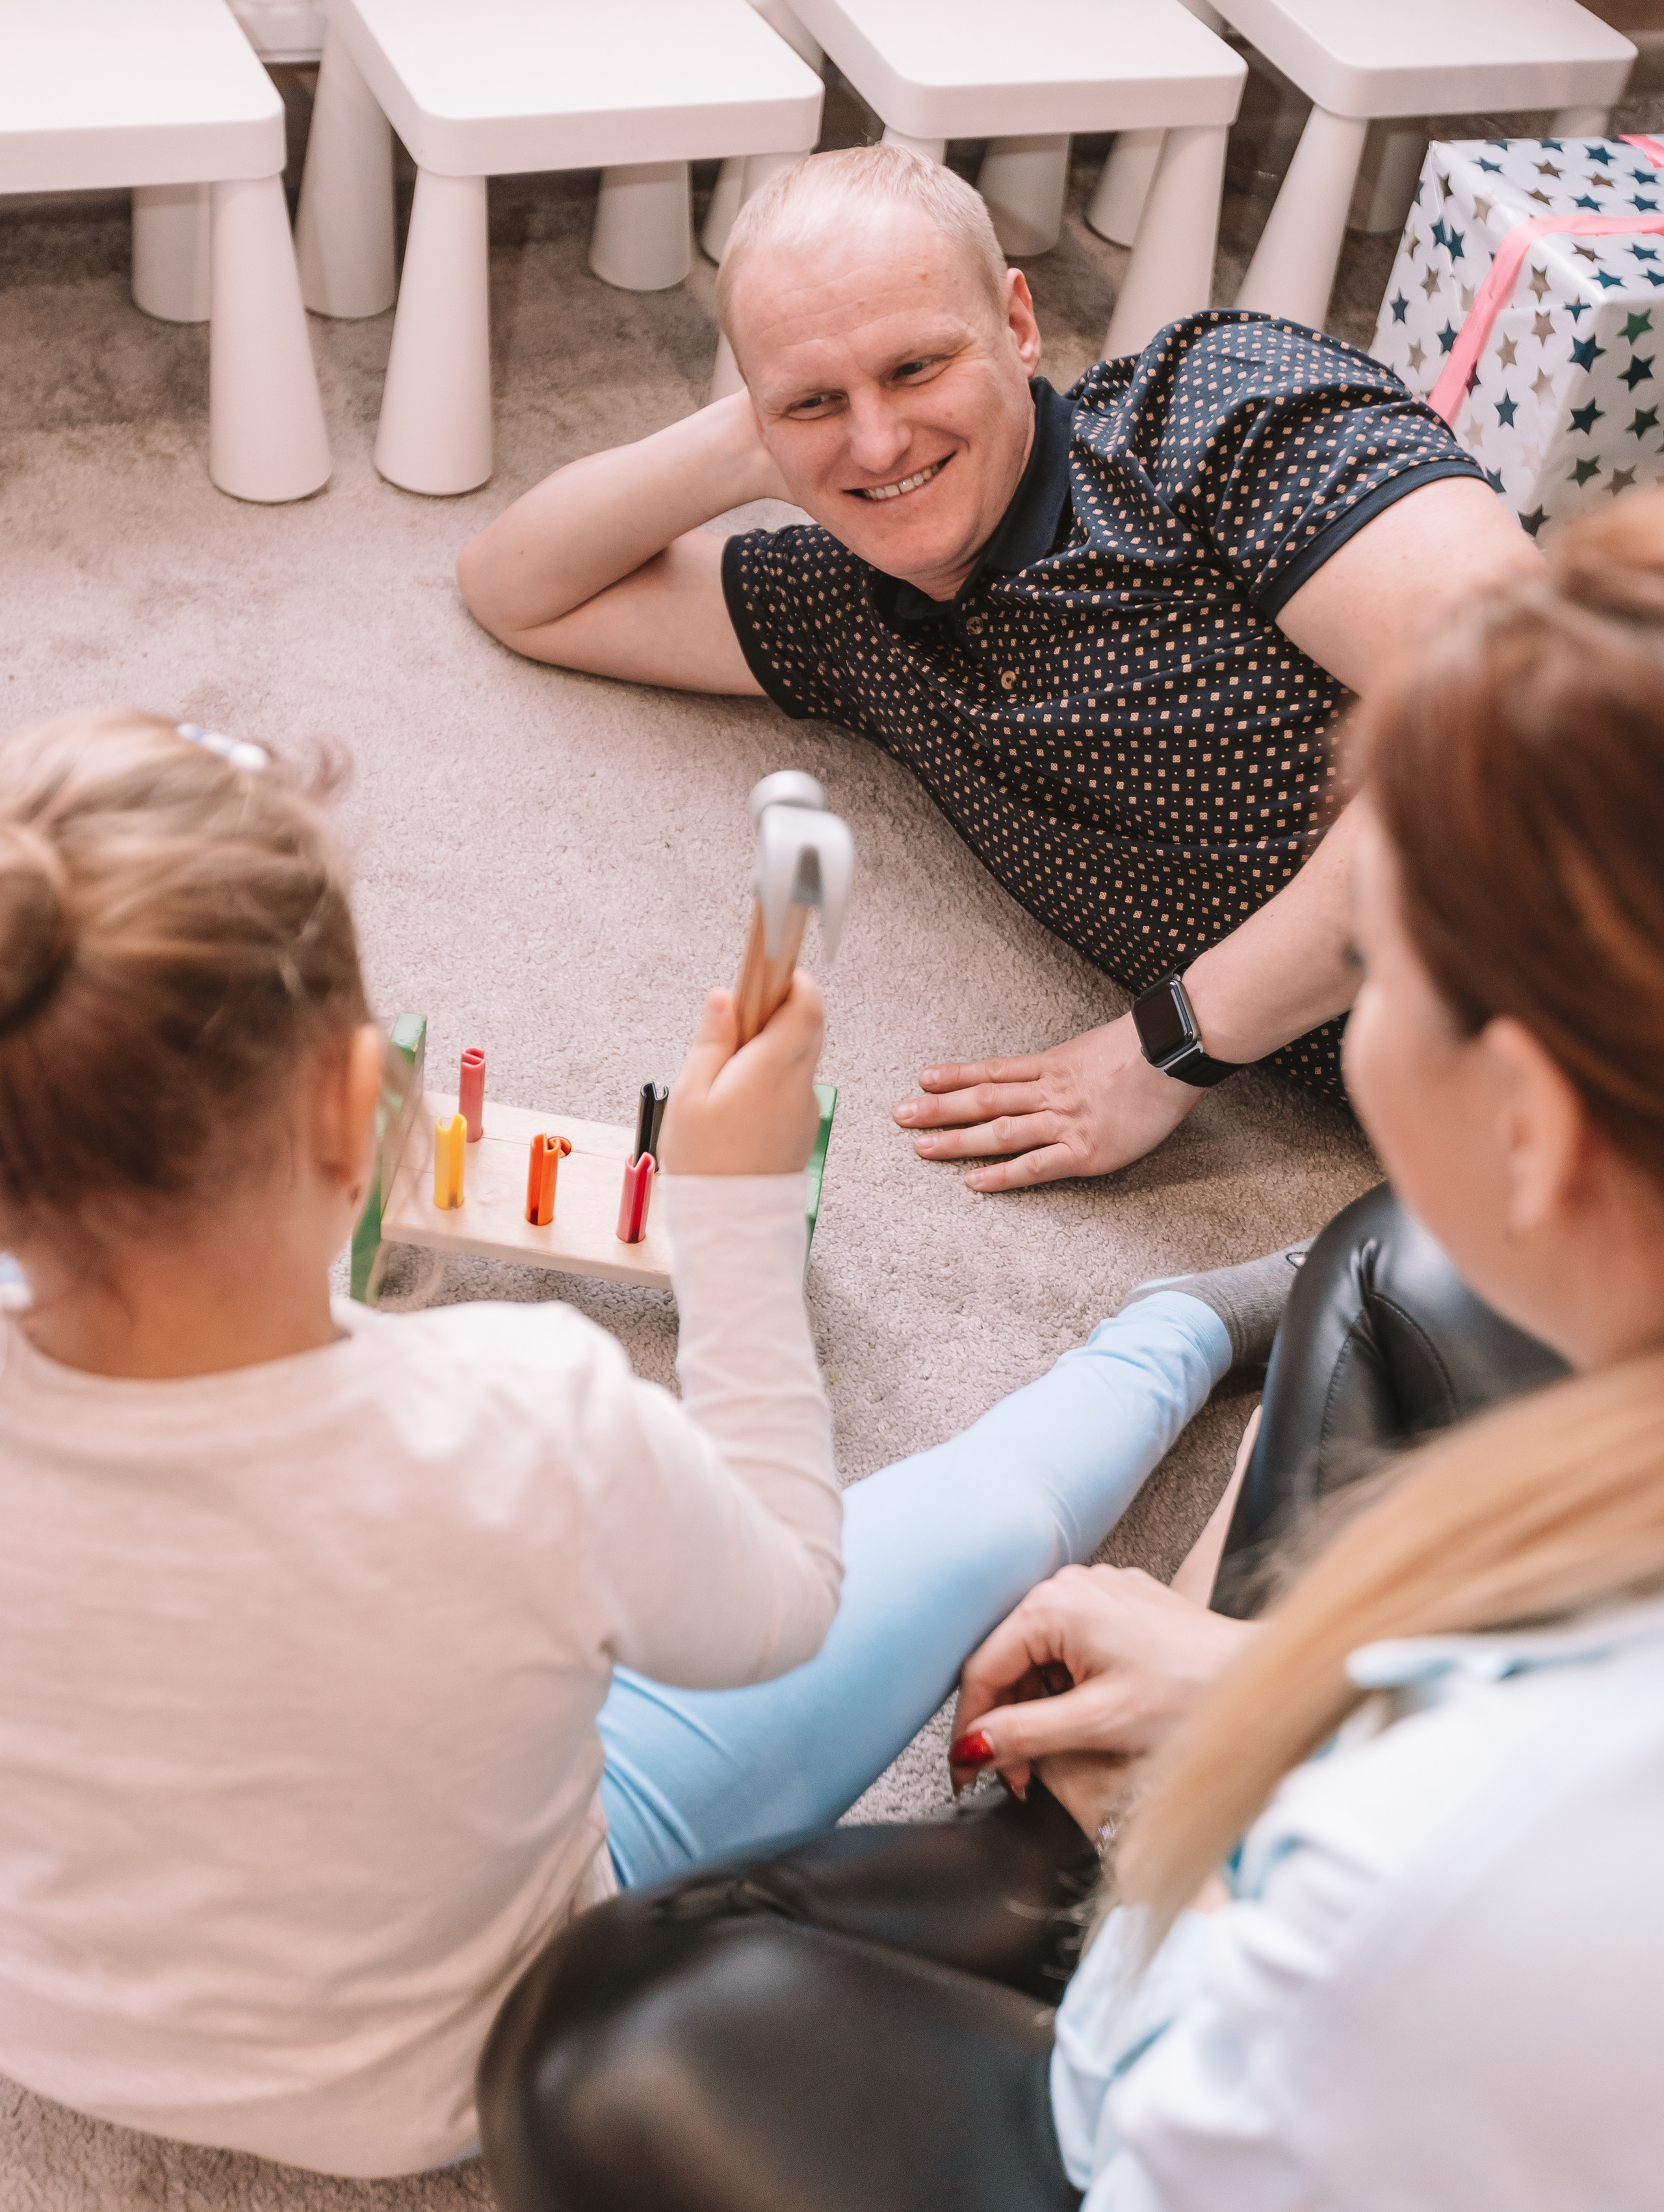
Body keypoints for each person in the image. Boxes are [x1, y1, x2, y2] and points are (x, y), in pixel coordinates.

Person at [476, 504, 1664, 2212]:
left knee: (611, 2035)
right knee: (1392, 1261)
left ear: (1540, 1122)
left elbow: (1186, 2146)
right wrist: (1243, 1679)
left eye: (1371, 966)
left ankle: (1070, 1845)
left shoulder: (1437, 1887)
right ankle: (1070, 1822)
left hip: (1234, 2063)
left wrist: (1203, 1810)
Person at [0, 705, 1305, 2180]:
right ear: (362, 1112)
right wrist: (734, 1222)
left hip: (55, 2027)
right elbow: (781, 1597)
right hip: (448, 2055)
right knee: (986, 1516)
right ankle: (1174, 1332)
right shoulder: (519, 1414)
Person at [457, 142, 1533, 1194]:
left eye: (916, 367)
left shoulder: (1213, 405)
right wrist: (760, 436)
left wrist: (1175, 1040)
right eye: (814, 401)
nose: (877, 445)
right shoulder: (849, 607)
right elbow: (517, 585)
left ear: (1018, 324)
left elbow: (1516, 722)